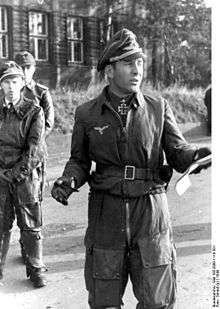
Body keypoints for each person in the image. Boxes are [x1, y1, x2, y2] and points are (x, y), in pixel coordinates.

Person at [51, 29, 211, 308]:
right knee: (104, 300)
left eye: (140, 61)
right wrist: (68, 180)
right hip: (106, 216)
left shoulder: (158, 107)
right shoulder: (87, 113)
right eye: (128, 63)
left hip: (150, 213)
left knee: (157, 300)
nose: (137, 69)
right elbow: (79, 160)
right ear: (109, 71)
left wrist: (195, 155)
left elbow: (177, 151)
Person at [0, 61, 47, 288]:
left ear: (22, 83)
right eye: (6, 81)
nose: (11, 86)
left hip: (25, 176)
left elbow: (34, 148)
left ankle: (36, 269)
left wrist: (15, 173)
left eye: (15, 81)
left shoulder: (34, 111)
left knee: (30, 224)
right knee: (0, 223)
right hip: (0, 176)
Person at [14, 51, 54, 262]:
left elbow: (48, 123)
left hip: (35, 156)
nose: (24, 71)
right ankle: (24, 241)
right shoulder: (7, 93)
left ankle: (29, 244)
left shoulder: (41, 92)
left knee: (34, 199)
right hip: (12, 157)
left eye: (28, 67)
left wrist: (31, 143)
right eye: (21, 67)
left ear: (33, 69)